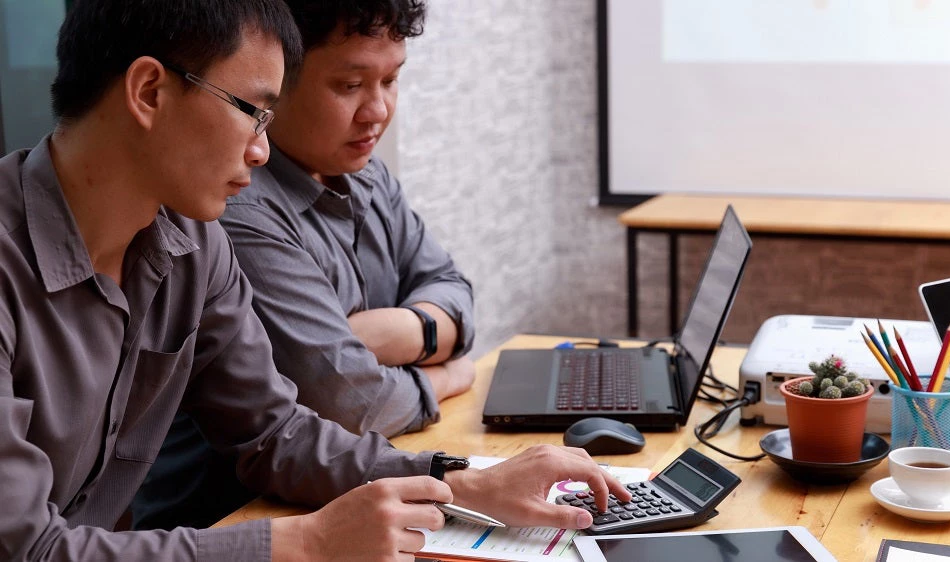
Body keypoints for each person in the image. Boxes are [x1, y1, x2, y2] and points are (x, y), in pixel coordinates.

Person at [0, 1, 629, 560]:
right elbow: (27, 546)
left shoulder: (192, 242)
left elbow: (275, 433)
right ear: (148, 91)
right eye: (253, 112)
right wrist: (309, 542)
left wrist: (463, 483)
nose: (261, 152)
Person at [132, 0, 478, 531]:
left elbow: (451, 286)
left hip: (317, 494)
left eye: (390, 81)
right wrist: (447, 373)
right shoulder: (229, 210)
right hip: (227, 516)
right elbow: (354, 402)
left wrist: (405, 332)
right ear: (278, 81)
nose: (378, 111)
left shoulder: (368, 176)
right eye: (349, 86)